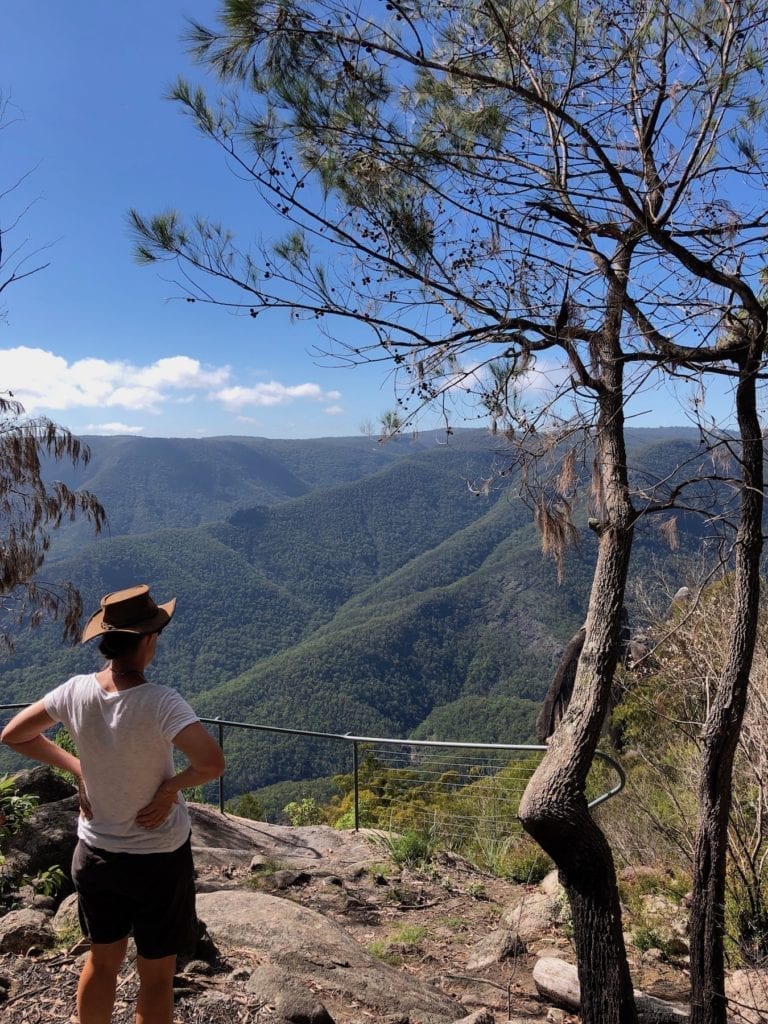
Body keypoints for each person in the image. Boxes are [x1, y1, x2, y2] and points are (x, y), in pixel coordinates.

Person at [1, 584, 225, 1024]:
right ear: (147, 641)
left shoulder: (75, 691)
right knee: (157, 977)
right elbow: (211, 764)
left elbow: (14, 735)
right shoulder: (161, 702)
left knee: (101, 963)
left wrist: (79, 768)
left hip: (96, 855)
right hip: (158, 859)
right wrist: (170, 788)